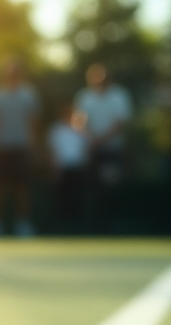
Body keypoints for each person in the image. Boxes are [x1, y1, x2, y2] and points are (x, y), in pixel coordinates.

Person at [0, 58, 39, 237]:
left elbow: (32, 123)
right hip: (1, 148)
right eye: (9, 73)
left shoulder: (29, 95)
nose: (12, 76)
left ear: (19, 74)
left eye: (15, 73)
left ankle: (23, 224)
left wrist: (33, 146)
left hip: (21, 147)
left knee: (21, 187)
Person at [74, 63, 133, 231]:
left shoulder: (119, 95)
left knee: (112, 186)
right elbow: (79, 122)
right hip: (92, 151)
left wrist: (100, 139)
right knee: (93, 188)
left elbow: (120, 123)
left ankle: (114, 223)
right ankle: (94, 224)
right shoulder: (84, 96)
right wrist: (91, 138)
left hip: (113, 151)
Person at [47, 104, 89, 231]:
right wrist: (55, 170)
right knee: (62, 199)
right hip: (63, 169)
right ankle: (62, 227)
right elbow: (53, 152)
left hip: (78, 169)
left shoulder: (81, 130)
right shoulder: (56, 130)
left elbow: (88, 147)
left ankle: (80, 228)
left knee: (78, 199)